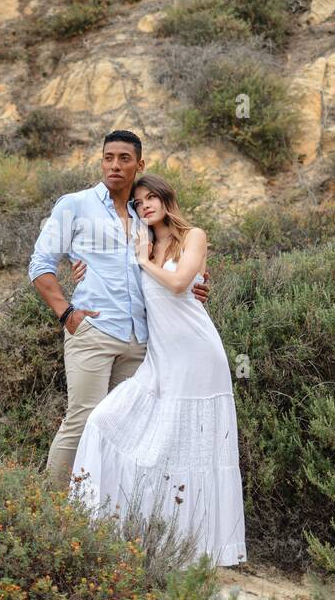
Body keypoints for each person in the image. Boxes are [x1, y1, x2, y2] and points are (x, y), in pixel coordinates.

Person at [67, 172, 246, 567]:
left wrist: (145, 262)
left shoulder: (192, 236)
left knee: (192, 447)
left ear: (167, 199)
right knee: (104, 421)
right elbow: (112, 276)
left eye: (151, 198)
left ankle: (198, 548)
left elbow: (182, 283)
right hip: (161, 357)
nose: (144, 205)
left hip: (198, 354)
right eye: (138, 202)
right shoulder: (140, 242)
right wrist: (77, 272)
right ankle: (108, 528)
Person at [27, 130, 210, 490]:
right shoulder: (75, 205)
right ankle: (49, 509)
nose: (115, 165)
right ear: (101, 161)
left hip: (140, 340)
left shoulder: (145, 214)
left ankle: (102, 510)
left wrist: (199, 285)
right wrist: (67, 314)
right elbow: (40, 264)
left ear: (139, 165)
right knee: (82, 419)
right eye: (108, 157)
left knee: (125, 427)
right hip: (94, 331)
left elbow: (176, 254)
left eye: (124, 158)